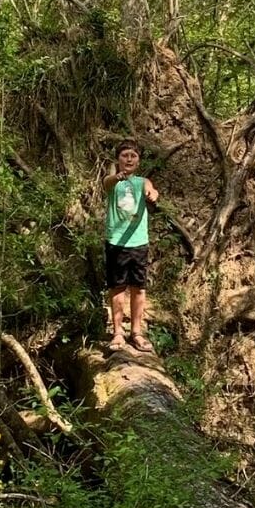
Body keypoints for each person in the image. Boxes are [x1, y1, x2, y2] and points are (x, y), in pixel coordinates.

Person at [102, 140, 158, 352]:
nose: (129, 159)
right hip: (116, 242)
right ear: (118, 159)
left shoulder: (142, 181)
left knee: (138, 288)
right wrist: (117, 177)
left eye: (133, 156)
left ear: (138, 160)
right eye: (125, 155)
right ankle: (117, 333)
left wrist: (153, 195)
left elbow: (151, 190)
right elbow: (107, 183)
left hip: (139, 243)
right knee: (117, 287)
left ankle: (136, 333)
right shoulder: (113, 182)